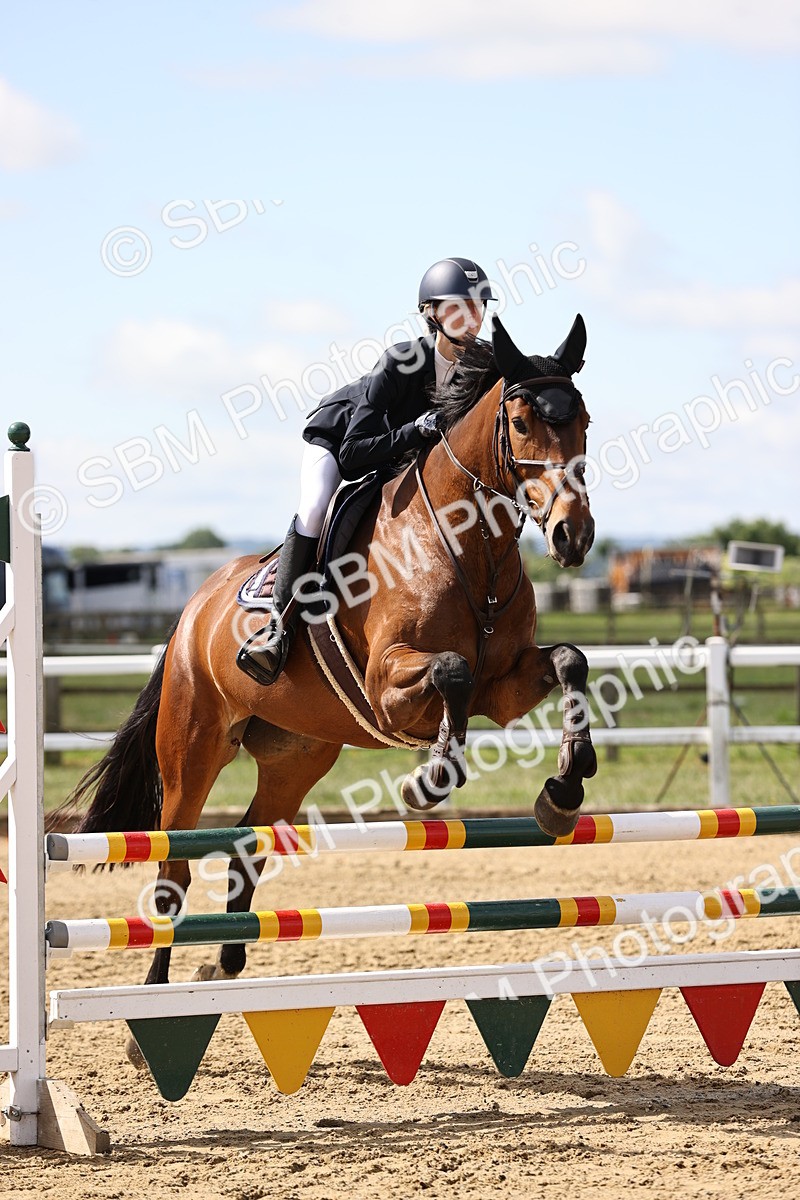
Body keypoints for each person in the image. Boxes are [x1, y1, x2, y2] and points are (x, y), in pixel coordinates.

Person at [236, 256, 495, 686]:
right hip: (343, 438)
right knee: (316, 507)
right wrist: (417, 430)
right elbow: (356, 454)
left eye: (477, 308)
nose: (471, 318)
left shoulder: (484, 364)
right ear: (432, 313)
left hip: (400, 460)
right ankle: (277, 629)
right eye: (458, 308)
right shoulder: (403, 360)